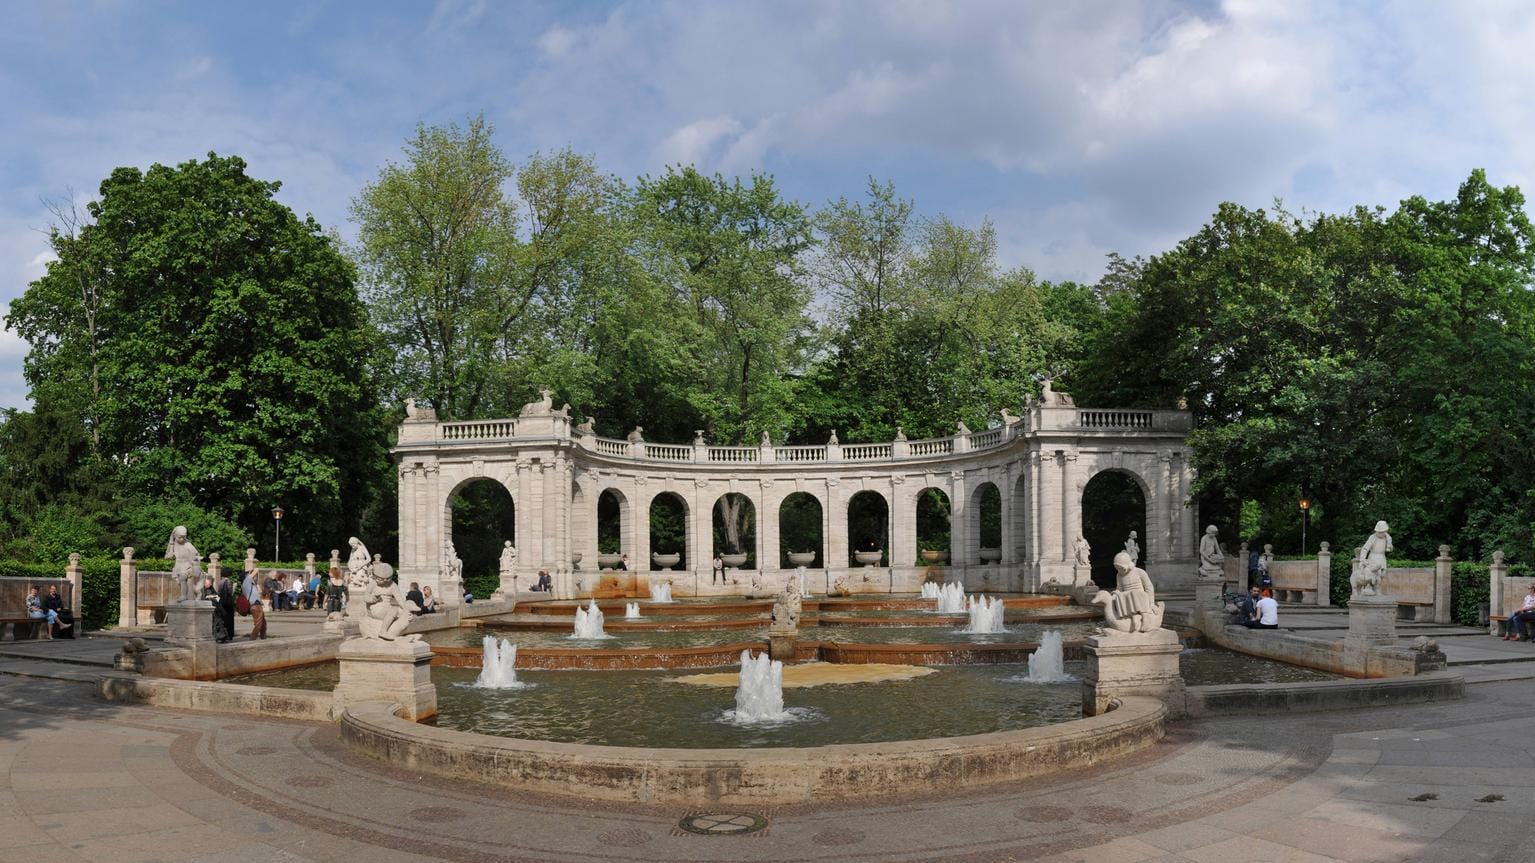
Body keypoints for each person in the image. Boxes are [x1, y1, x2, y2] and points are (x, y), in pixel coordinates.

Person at [240, 569, 267, 640]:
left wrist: (256, 583)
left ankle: (263, 638)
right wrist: (250, 571)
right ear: (246, 576)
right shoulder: (246, 581)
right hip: (255, 605)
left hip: (257, 605)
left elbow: (260, 592)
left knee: (263, 624)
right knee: (259, 624)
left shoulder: (249, 584)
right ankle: (252, 639)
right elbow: (256, 570)